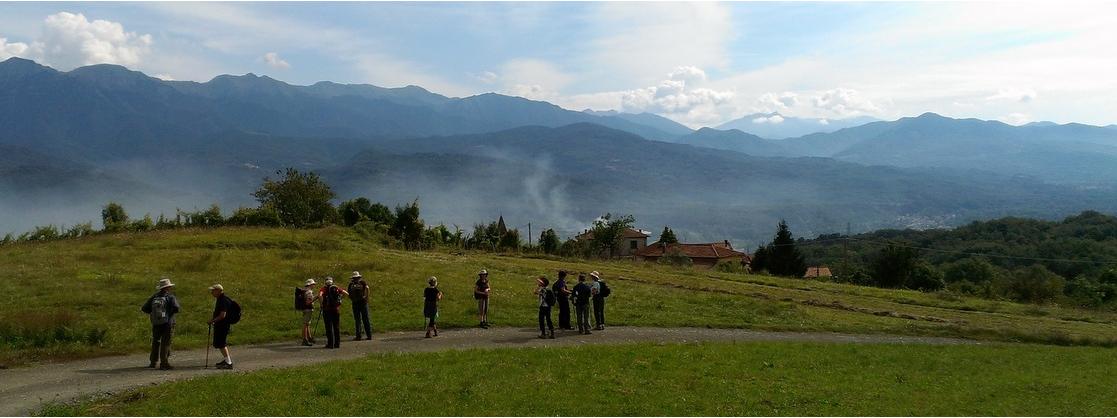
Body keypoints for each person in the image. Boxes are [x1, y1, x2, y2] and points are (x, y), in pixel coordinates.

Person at [141, 277, 180, 370]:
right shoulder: (170, 297)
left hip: (156, 323)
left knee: (156, 342)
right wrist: (168, 314)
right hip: (168, 323)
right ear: (168, 287)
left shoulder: (154, 297)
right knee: (165, 343)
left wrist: (154, 315)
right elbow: (177, 308)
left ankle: (153, 362)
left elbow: (144, 308)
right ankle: (164, 363)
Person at [208, 284, 234, 369]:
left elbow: (223, 315)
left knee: (222, 344)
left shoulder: (223, 300)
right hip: (221, 325)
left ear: (219, 291)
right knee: (220, 343)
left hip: (223, 326)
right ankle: (226, 360)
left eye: (213, 290)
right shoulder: (221, 299)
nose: (211, 292)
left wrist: (212, 321)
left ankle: (229, 363)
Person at [319, 277, 349, 349]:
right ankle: (337, 344)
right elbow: (347, 293)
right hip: (336, 310)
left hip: (327, 310)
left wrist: (321, 304)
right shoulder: (336, 288)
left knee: (328, 327)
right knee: (336, 327)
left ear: (325, 282)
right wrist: (340, 299)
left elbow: (320, 295)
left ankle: (330, 344)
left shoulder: (324, 289)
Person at [348, 271, 372, 341]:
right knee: (364, 319)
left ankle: (360, 336)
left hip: (358, 303)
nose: (356, 279)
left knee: (359, 320)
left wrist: (352, 299)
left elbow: (349, 293)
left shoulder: (352, 284)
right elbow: (367, 288)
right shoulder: (361, 283)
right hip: (361, 302)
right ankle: (367, 335)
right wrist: (366, 297)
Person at [299, 278, 318, 346]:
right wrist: (316, 297)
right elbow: (308, 302)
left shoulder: (304, 291)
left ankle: (309, 337)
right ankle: (305, 339)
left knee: (307, 324)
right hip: (308, 309)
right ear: (310, 285)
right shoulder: (309, 292)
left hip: (305, 309)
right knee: (305, 324)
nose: (314, 285)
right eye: (313, 284)